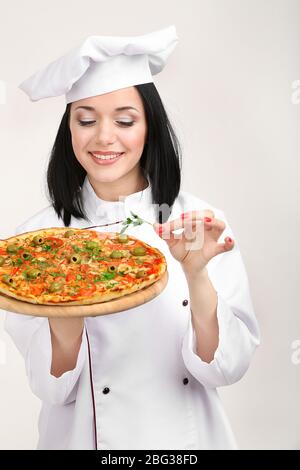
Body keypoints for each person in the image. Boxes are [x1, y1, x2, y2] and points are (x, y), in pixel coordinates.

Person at [5, 25, 260, 450]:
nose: (104, 137)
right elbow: (52, 390)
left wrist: (196, 274)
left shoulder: (200, 224)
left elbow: (225, 369)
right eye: (86, 119)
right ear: (69, 130)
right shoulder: (36, 242)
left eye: (125, 120)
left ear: (150, 128)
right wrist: (62, 294)